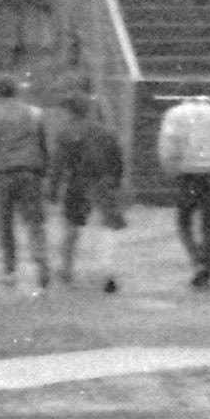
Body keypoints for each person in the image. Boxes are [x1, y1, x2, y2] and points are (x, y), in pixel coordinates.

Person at [155, 89, 210, 288]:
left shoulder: (174, 114)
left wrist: (169, 166)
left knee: (184, 221)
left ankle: (197, 261)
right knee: (207, 224)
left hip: (187, 173)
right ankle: (209, 269)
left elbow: (168, 143)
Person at [50, 86, 129, 292]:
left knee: (71, 228)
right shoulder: (106, 132)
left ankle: (66, 270)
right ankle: (106, 271)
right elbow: (118, 161)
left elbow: (58, 164)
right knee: (107, 228)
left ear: (69, 111)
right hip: (104, 183)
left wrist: (52, 189)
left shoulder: (65, 133)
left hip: (78, 183)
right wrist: (116, 183)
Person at [0, 74, 53, 289]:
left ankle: (9, 270)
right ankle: (41, 262)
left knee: (5, 223)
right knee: (34, 221)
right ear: (17, 91)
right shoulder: (35, 113)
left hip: (5, 173)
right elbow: (42, 145)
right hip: (31, 172)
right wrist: (43, 170)